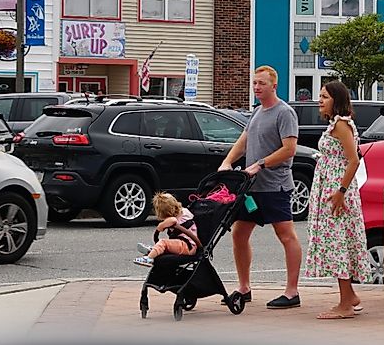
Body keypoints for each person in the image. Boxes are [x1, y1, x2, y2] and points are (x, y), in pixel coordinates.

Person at [218, 65, 303, 309]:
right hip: (250, 188)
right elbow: (243, 141)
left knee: (286, 235)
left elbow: (289, 149)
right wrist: (227, 162)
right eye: (255, 83)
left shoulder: (284, 113)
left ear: (274, 86)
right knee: (239, 233)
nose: (257, 87)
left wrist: (260, 164)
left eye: (262, 83)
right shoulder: (256, 112)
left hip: (274, 185)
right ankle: (244, 288)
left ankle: (291, 292)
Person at [304, 81, 371, 319]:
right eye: (320, 96)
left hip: (337, 191)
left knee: (339, 242)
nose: (320, 100)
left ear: (337, 99)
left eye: (325, 96)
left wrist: (341, 191)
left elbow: (354, 160)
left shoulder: (342, 125)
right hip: (330, 187)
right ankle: (350, 295)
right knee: (336, 241)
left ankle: (345, 305)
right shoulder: (335, 124)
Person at [134, 192, 200, 266]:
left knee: (164, 242)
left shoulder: (175, 218)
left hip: (187, 246)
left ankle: (149, 258)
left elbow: (173, 220)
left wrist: (161, 226)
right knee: (166, 245)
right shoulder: (185, 212)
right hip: (188, 245)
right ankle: (155, 249)